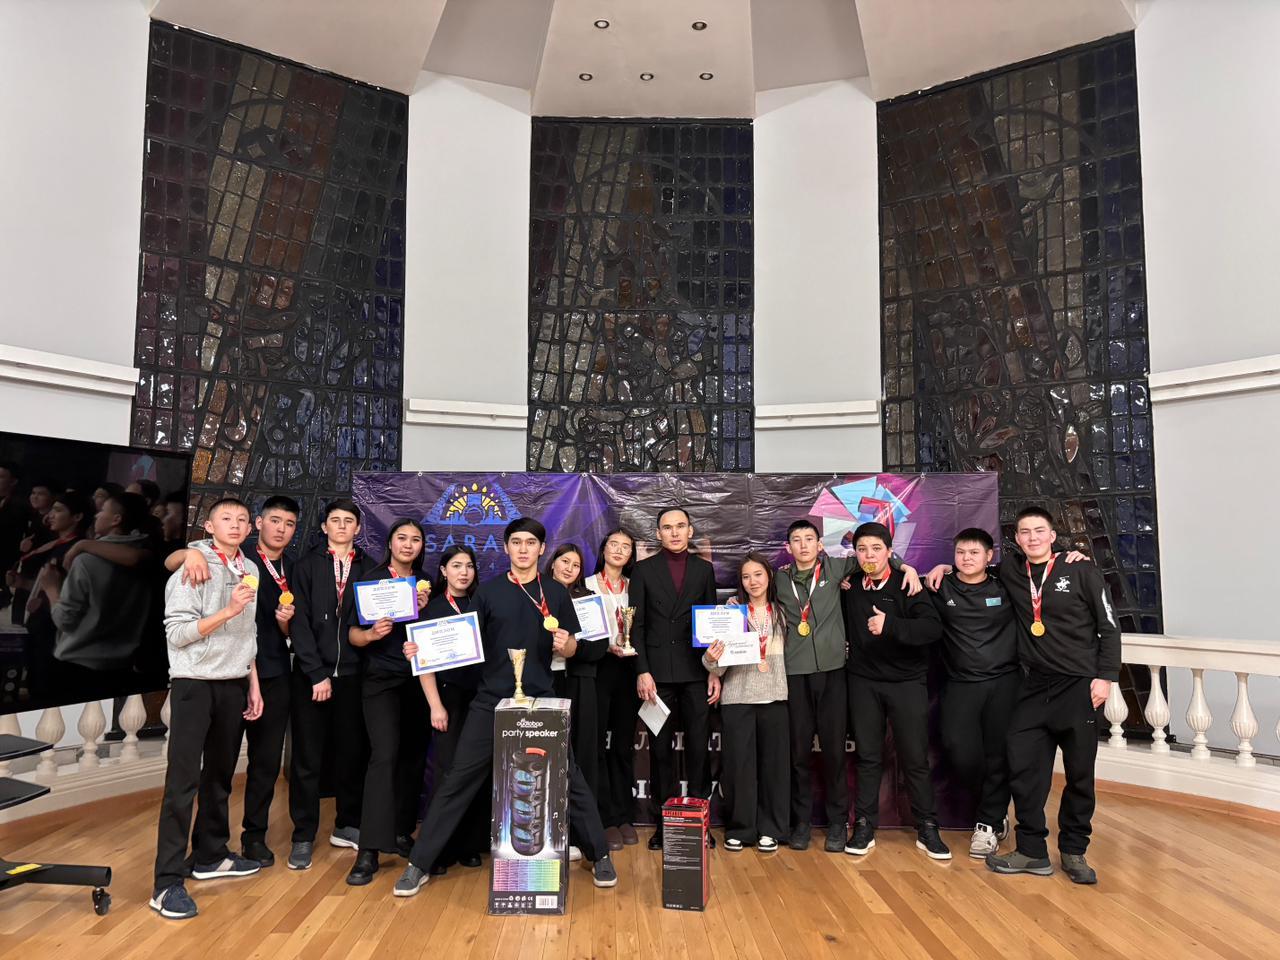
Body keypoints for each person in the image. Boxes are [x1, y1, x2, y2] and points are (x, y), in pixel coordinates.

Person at [393, 517, 618, 897]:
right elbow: (465, 644)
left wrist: (569, 646)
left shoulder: (556, 592)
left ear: (541, 549)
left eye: (530, 542)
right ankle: (419, 863)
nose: (523, 549)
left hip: (541, 700)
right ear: (507, 548)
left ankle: (600, 855)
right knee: (458, 779)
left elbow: (579, 646)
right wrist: (422, 650)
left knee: (569, 776)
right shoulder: (489, 592)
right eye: (516, 542)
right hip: (491, 701)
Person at [982, 506, 1119, 884]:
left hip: (1079, 687)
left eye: (1039, 531)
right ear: (1017, 538)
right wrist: (942, 569)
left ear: (1053, 535)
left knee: (1079, 774)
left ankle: (1074, 851)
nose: (1032, 538)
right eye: (1025, 532)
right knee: (1024, 770)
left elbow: (1109, 627)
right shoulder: (1012, 571)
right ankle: (1031, 851)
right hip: (1033, 687)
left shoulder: (1081, 570)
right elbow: (974, 568)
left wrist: (1105, 677)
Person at [166, 495, 301, 867]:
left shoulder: (291, 567)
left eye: (289, 524)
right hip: (215, 676)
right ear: (259, 523)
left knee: (262, 763)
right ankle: (194, 857)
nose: (281, 529)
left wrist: (285, 624)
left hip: (265, 673)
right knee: (209, 770)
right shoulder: (228, 559)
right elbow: (173, 563)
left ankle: (248, 839)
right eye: (274, 521)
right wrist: (188, 553)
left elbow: (282, 630)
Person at [150, 497, 264, 921]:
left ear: (249, 528)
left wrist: (252, 682)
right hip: (194, 684)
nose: (235, 525)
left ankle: (211, 856)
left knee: (220, 777)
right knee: (182, 784)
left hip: (234, 683)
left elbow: (248, 631)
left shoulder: (250, 569)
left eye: (242, 520)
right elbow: (178, 634)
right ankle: (166, 883)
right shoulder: (192, 565)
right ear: (209, 526)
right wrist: (228, 610)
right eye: (226, 519)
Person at [842, 522, 949, 862]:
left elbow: (931, 629)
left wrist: (890, 625)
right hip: (864, 682)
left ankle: (927, 825)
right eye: (862, 550)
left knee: (914, 757)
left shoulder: (908, 583)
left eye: (876, 549)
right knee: (868, 756)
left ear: (890, 552)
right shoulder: (850, 585)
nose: (869, 556)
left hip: (906, 682)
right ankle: (864, 825)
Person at [346, 519, 434, 886]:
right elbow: (352, 634)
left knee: (413, 757)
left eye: (415, 539)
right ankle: (368, 849)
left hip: (419, 681)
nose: (408, 545)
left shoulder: (428, 583)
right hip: (381, 680)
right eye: (402, 538)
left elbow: (439, 633)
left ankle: (401, 832)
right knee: (383, 756)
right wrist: (371, 635)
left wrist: (426, 610)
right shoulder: (370, 579)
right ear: (390, 543)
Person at [926, 527, 1022, 859]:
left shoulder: (1005, 585)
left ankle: (988, 823)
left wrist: (1071, 556)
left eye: (974, 553)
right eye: (960, 553)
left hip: (1003, 683)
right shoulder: (940, 586)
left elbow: (1039, 563)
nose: (966, 558)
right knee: (959, 750)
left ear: (989, 556)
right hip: (960, 683)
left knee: (999, 753)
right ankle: (994, 806)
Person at [286, 498, 371, 870]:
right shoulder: (305, 566)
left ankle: (347, 824)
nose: (341, 526)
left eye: (348, 521)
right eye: (335, 520)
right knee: (307, 758)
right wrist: (316, 673)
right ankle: (303, 835)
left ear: (358, 528)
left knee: (352, 753)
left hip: (353, 676)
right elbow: (299, 623)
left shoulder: (370, 567)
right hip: (312, 677)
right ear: (324, 527)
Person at [628, 506, 720, 851]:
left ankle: (699, 824)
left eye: (681, 526)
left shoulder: (704, 570)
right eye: (667, 527)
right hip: (657, 676)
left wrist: (713, 671)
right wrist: (642, 670)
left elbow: (710, 625)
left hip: (696, 672)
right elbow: (636, 626)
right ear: (658, 534)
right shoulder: (643, 570)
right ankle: (663, 826)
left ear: (690, 531)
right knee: (661, 753)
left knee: (698, 751)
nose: (675, 532)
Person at [703, 553, 789, 852]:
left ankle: (771, 828)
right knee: (739, 767)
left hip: (775, 695)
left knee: (774, 767)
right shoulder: (731, 612)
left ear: (769, 576)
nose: (752, 582)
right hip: (738, 697)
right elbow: (715, 664)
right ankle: (741, 828)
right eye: (746, 577)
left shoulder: (783, 611)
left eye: (758, 575)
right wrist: (710, 660)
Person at [412, 545, 487, 876]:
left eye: (469, 566)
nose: (463, 572)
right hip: (447, 698)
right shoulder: (432, 608)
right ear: (443, 571)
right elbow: (423, 663)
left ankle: (469, 844)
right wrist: (435, 706)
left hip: (480, 697)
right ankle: (440, 848)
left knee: (477, 771)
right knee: (447, 771)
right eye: (456, 566)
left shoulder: (481, 603)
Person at [547, 543, 607, 862]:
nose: (569, 568)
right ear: (552, 563)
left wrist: (572, 648)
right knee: (548, 758)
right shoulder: (536, 596)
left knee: (582, 756)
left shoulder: (588, 600)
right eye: (564, 561)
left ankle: (583, 835)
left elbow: (599, 647)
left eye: (576, 564)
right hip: (545, 684)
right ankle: (551, 832)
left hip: (580, 683)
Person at [585, 528, 638, 850]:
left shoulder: (636, 586)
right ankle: (603, 817)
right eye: (613, 544)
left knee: (622, 744)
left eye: (626, 547)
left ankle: (623, 815)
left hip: (629, 669)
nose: (618, 550)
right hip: (598, 668)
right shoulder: (587, 586)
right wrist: (606, 647)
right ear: (603, 549)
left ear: (631, 554)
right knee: (596, 745)